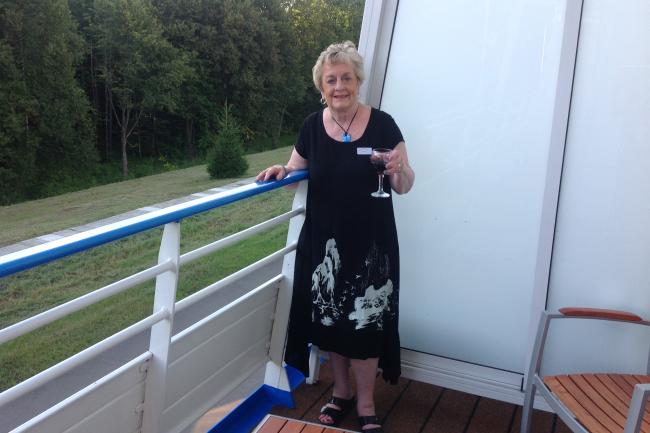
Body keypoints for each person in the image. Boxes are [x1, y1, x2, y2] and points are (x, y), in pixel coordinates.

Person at [256, 41, 414, 433]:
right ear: (321, 87)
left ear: (358, 81)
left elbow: (406, 184)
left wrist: (398, 170)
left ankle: (365, 403)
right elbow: (296, 167)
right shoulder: (312, 125)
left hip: (372, 244)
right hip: (326, 245)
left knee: (365, 325)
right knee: (331, 320)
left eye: (346, 77)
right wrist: (281, 169)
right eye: (331, 80)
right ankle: (340, 394)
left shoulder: (384, 124)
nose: (339, 85)